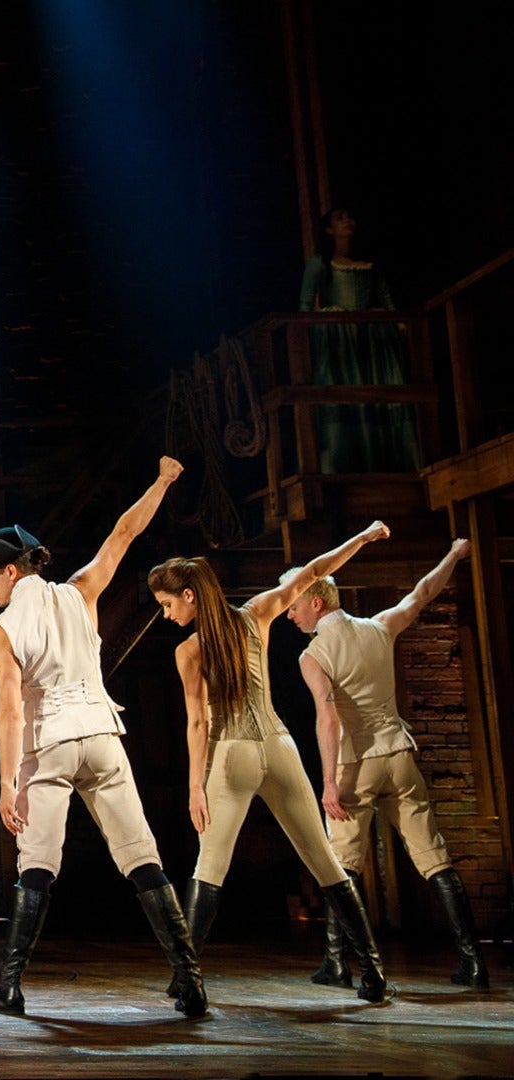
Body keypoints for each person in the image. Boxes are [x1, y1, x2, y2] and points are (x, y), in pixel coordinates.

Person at [0, 457, 205, 1017]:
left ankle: (10, 986)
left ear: (9, 571)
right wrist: (164, 481)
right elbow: (125, 532)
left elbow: (8, 713)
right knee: (141, 855)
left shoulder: (2, 632)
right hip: (102, 735)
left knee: (37, 865)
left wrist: (7, 785)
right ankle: (190, 979)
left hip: (49, 742)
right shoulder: (80, 591)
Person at [147, 522, 395, 1003]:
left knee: (210, 867)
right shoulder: (256, 614)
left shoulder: (189, 650)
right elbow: (316, 571)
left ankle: (188, 982)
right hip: (281, 748)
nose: (166, 614)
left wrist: (196, 787)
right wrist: (362, 537)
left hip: (233, 753)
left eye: (168, 604)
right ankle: (375, 975)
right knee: (325, 862)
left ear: (191, 596)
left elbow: (198, 725)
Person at [289, 538, 488, 990]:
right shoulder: (378, 627)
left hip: (356, 765)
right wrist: (453, 555)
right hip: (399, 755)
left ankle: (343, 963)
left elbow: (328, 718)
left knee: (342, 866)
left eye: (295, 605)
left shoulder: (313, 655)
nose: (289, 613)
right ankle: (474, 962)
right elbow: (422, 593)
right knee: (434, 857)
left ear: (317, 603)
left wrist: (328, 783)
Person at [298, 208, 418, 473]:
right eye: (339, 218)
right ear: (329, 229)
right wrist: (317, 329)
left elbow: (385, 297)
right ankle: (344, 459)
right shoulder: (321, 263)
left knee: (378, 388)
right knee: (345, 389)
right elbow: (305, 305)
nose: (347, 220)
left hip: (371, 336)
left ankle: (391, 458)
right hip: (339, 337)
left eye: (350, 216)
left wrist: (397, 323)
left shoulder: (370, 264)